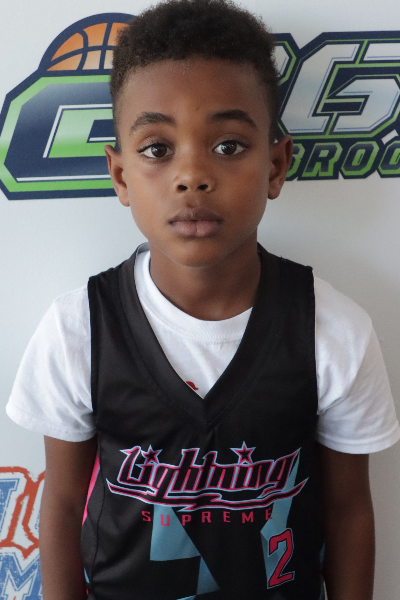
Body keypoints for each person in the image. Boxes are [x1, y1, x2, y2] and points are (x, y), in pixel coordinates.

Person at [6, 0, 400, 598]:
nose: (191, 176)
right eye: (157, 149)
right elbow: (61, 505)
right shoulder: (78, 329)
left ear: (276, 165)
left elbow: (348, 513)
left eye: (229, 146)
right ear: (120, 175)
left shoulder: (334, 331)